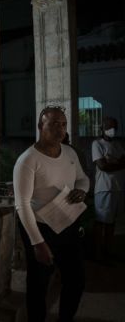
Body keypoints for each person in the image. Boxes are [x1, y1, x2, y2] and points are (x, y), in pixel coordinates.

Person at [13, 106, 89, 322]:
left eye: (63, 124)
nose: (60, 129)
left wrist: (82, 190)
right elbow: (22, 205)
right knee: (39, 284)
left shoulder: (70, 153)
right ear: (40, 126)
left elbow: (83, 178)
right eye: (54, 124)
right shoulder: (28, 160)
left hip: (68, 223)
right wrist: (37, 243)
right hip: (40, 227)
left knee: (76, 280)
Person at [92, 116, 125, 261]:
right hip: (104, 189)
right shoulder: (97, 144)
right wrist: (117, 163)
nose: (112, 130)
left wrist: (112, 162)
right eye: (109, 127)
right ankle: (98, 253)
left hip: (117, 188)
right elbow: (103, 166)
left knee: (111, 223)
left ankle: (108, 252)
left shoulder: (117, 145)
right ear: (102, 128)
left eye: (114, 127)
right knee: (101, 222)